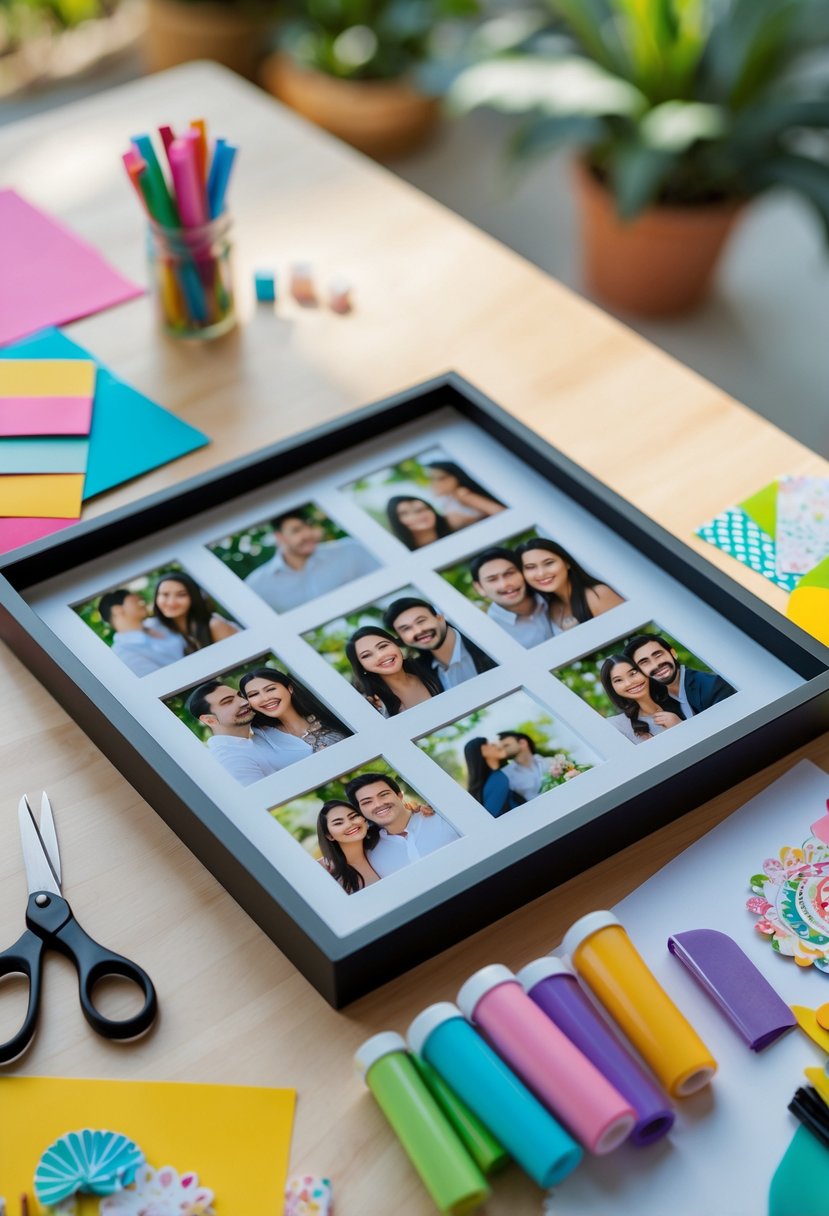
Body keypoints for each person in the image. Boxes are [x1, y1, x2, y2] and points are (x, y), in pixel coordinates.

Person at [243, 507, 379, 612]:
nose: (307, 534)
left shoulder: (350, 551)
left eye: (309, 527)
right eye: (296, 530)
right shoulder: (256, 585)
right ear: (280, 537)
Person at [186, 680, 312, 786]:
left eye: (240, 695)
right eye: (228, 701)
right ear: (210, 720)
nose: (244, 702)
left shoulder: (260, 732)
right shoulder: (228, 758)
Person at [344, 773, 459, 876]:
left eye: (383, 794)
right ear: (359, 810)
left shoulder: (442, 817)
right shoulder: (369, 853)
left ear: (399, 796)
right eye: (367, 802)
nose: (378, 804)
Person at [382, 596, 495, 691]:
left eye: (421, 621)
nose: (418, 631)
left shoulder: (485, 641)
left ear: (440, 618)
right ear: (401, 638)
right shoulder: (419, 672)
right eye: (406, 629)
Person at [515, 538, 624, 633]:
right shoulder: (550, 607)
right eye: (530, 567)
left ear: (567, 563)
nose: (541, 573)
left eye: (549, 563)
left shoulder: (597, 595)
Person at [624, 633, 736, 717]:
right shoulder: (658, 700)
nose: (656, 665)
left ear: (673, 653)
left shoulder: (712, 685)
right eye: (645, 662)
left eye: (658, 655)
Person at [239, 667, 347, 752]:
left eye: (270, 689)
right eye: (254, 694)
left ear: (289, 688)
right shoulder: (262, 737)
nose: (265, 698)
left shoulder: (329, 715)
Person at [346, 626, 442, 716]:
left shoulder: (429, 668)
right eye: (366, 655)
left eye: (383, 646)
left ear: (396, 645)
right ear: (361, 666)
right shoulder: (373, 704)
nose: (380, 656)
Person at [470, 548, 553, 649]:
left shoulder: (553, 596)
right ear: (479, 588)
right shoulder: (487, 633)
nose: (505, 584)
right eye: (492, 579)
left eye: (509, 573)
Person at [98, 588, 187, 677]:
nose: (142, 603)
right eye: (136, 602)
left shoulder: (156, 622)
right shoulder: (122, 652)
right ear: (117, 610)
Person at [600, 655, 685, 744]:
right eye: (618, 680)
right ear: (611, 687)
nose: (629, 683)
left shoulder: (680, 698)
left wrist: (680, 725)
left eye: (633, 673)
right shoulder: (616, 725)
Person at [150, 571, 239, 655]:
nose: (171, 602)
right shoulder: (159, 631)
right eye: (165, 594)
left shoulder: (214, 625)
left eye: (181, 594)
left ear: (193, 596)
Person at [316, 800, 381, 894]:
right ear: (330, 836)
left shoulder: (382, 847)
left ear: (364, 820)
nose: (350, 824)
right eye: (338, 823)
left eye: (354, 816)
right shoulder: (320, 870)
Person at [425, 460, 505, 529]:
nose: (434, 483)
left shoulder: (462, 494)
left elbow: (499, 511)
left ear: (455, 477)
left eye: (440, 478)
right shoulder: (449, 499)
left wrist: (472, 519)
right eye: (431, 479)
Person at [464, 737, 524, 818]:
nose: (497, 746)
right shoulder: (498, 779)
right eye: (491, 744)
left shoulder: (499, 776)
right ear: (482, 752)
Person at [498, 731, 549, 802]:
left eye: (506, 745)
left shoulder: (549, 762)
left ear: (522, 743)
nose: (502, 750)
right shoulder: (504, 774)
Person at [386, 496, 452, 550]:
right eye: (405, 513)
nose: (416, 516)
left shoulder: (454, 525)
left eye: (421, 509)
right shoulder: (400, 551)